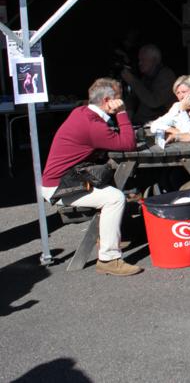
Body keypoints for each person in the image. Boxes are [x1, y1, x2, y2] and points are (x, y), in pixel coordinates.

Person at [41, 78, 140, 276]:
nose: (122, 101)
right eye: (119, 98)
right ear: (107, 101)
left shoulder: (81, 112)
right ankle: (109, 259)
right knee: (115, 198)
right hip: (61, 187)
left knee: (112, 186)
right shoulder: (92, 125)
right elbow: (129, 144)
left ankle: (109, 236)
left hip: (64, 179)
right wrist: (122, 113)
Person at [121, 44, 177, 125]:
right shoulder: (146, 77)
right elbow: (134, 97)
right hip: (141, 122)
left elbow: (154, 102)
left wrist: (133, 81)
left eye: (143, 60)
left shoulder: (166, 76)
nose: (140, 63)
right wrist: (129, 110)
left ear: (154, 60)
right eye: (139, 60)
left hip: (158, 124)